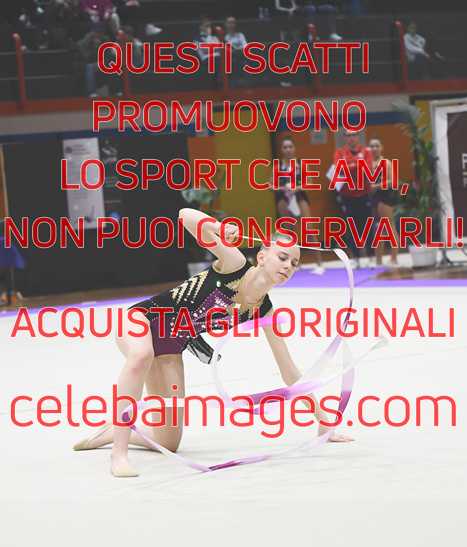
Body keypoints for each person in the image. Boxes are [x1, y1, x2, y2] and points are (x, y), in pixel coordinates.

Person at [73, 208, 352, 477]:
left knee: (168, 441)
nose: (288, 266)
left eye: (294, 263)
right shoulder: (234, 265)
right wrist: (218, 228)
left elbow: (289, 371)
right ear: (262, 256)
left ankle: (111, 432)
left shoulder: (264, 311)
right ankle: (119, 455)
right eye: (282, 257)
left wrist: (323, 420)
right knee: (141, 355)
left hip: (170, 347)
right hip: (143, 319)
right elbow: (185, 216)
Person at [272, 138, 324, 272]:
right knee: (289, 232)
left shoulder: (301, 164)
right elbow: (271, 184)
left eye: (290, 147)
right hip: (284, 199)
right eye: (285, 147)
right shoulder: (278, 166)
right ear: (282, 150)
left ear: (294, 148)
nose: (288, 150)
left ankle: (319, 263)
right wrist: (282, 188)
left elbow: (310, 182)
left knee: (309, 228)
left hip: (299, 197)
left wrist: (297, 188)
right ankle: (295, 264)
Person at [333, 130, 373, 267]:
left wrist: (350, 165)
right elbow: (339, 169)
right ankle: (355, 257)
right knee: (352, 228)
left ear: (358, 137)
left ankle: (370, 256)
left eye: (354, 135)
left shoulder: (366, 151)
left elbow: (368, 169)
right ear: (345, 138)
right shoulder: (339, 153)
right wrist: (357, 165)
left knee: (367, 226)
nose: (351, 138)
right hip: (347, 196)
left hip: (364, 194)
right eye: (348, 135)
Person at [368, 138, 398, 267]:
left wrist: (376, 186)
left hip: (385, 197)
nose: (374, 148)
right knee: (378, 229)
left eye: (377, 146)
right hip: (374, 197)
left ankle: (394, 259)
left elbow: (392, 181)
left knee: (389, 226)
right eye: (372, 146)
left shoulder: (386, 163)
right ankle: (378, 260)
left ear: (381, 148)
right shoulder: (368, 163)